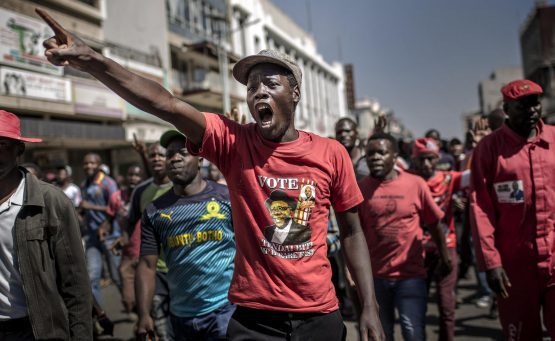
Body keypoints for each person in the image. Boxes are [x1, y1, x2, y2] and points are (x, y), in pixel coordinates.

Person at [37, 10, 383, 340]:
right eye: (251, 87)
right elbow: (166, 104)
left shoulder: (331, 153)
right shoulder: (233, 143)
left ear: (294, 94)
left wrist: (368, 306)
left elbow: (352, 232)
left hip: (319, 315)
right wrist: (93, 61)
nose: (258, 91)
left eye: (270, 84)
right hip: (254, 318)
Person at [470, 79, 555, 340]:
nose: (531, 110)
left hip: (554, 259)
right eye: (522, 106)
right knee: (522, 335)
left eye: (535, 104)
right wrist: (491, 263)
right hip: (514, 266)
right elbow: (480, 208)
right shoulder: (489, 149)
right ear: (506, 109)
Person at [0, 110, 92, 340]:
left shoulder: (52, 202)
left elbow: (75, 283)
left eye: (2, 144)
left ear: (19, 150)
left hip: (37, 330)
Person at [137, 130, 236, 340]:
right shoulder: (155, 211)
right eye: (170, 154)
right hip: (180, 317)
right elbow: (147, 265)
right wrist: (144, 314)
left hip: (225, 311)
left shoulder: (226, 198)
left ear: (200, 159)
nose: (175, 159)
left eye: (183, 152)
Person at [358, 132, 452, 341]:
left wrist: (445, 255)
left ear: (395, 155)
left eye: (381, 153)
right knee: (383, 334)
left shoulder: (416, 184)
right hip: (376, 278)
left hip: (410, 275)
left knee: (413, 332)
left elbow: (434, 223)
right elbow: (356, 235)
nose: (375, 158)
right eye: (370, 154)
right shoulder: (361, 189)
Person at [411, 137, 469, 341]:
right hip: (417, 253)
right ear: (414, 160)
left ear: (437, 159)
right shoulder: (407, 181)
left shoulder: (449, 179)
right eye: (421, 159)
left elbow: (478, 172)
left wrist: (478, 147)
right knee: (417, 307)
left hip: (447, 249)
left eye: (430, 159)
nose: (426, 164)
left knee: (447, 306)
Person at [126, 142, 174, 340]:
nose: (156, 159)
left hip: (181, 270)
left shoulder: (182, 186)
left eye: (161, 155)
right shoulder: (141, 191)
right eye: (152, 155)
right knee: (162, 330)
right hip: (154, 271)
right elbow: (132, 224)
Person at [80, 152, 120, 305]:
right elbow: (85, 209)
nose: (89, 166)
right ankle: (101, 317)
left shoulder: (108, 183)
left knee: (117, 276)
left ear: (99, 165)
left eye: (92, 163)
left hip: (110, 236)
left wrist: (91, 206)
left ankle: (134, 309)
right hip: (91, 238)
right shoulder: (84, 185)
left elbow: (116, 208)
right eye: (86, 163)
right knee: (92, 278)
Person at [106, 164, 143, 318]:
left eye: (137, 175)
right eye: (130, 174)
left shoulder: (148, 195)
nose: (133, 178)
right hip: (127, 254)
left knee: (148, 300)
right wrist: (104, 229)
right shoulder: (116, 197)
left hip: (148, 255)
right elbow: (110, 217)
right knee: (128, 299)